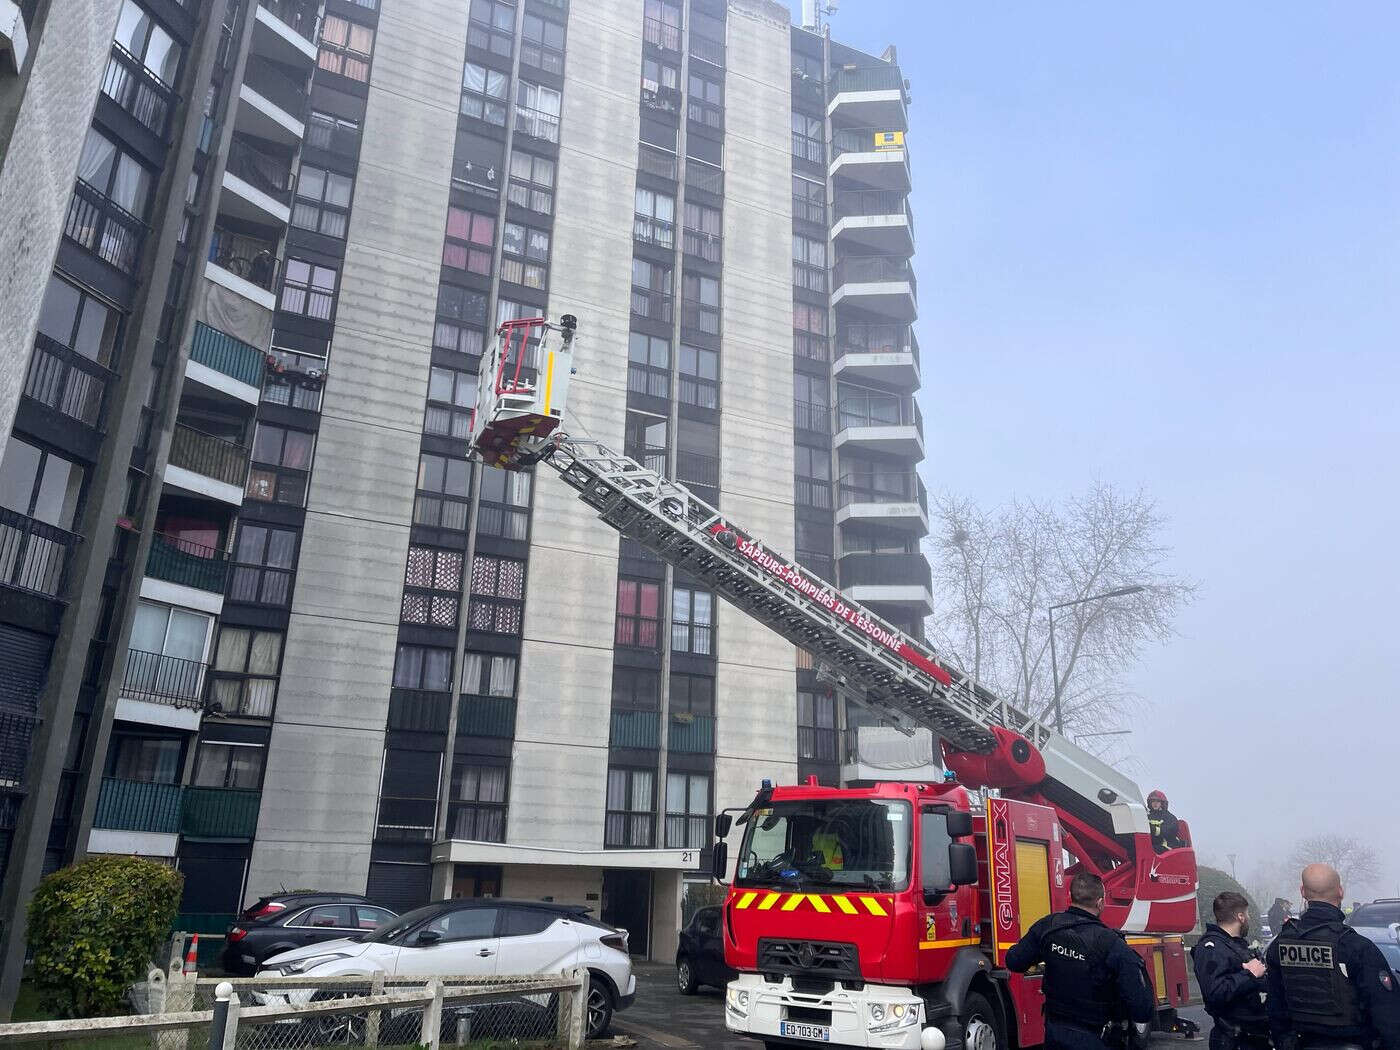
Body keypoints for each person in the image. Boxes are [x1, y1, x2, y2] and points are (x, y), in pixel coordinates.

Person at [1006, 871, 1154, 1050]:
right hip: (1097, 1038)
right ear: (1100, 902)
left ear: (1070, 897)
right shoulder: (1112, 944)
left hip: (1055, 1035)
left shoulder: (1048, 927)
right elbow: (1142, 1008)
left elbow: (1014, 961)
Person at [1265, 863, 1400, 1050]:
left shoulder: (1280, 945)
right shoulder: (1356, 947)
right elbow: (1388, 1017)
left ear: (1303, 891)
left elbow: (1275, 1007)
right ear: (1341, 892)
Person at [1192, 891, 1271, 1050]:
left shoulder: (1236, 946)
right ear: (1240, 917)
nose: (1249, 918)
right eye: (1247, 914)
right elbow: (1215, 991)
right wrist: (1249, 974)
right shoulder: (1212, 949)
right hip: (1233, 1039)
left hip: (1254, 1036)